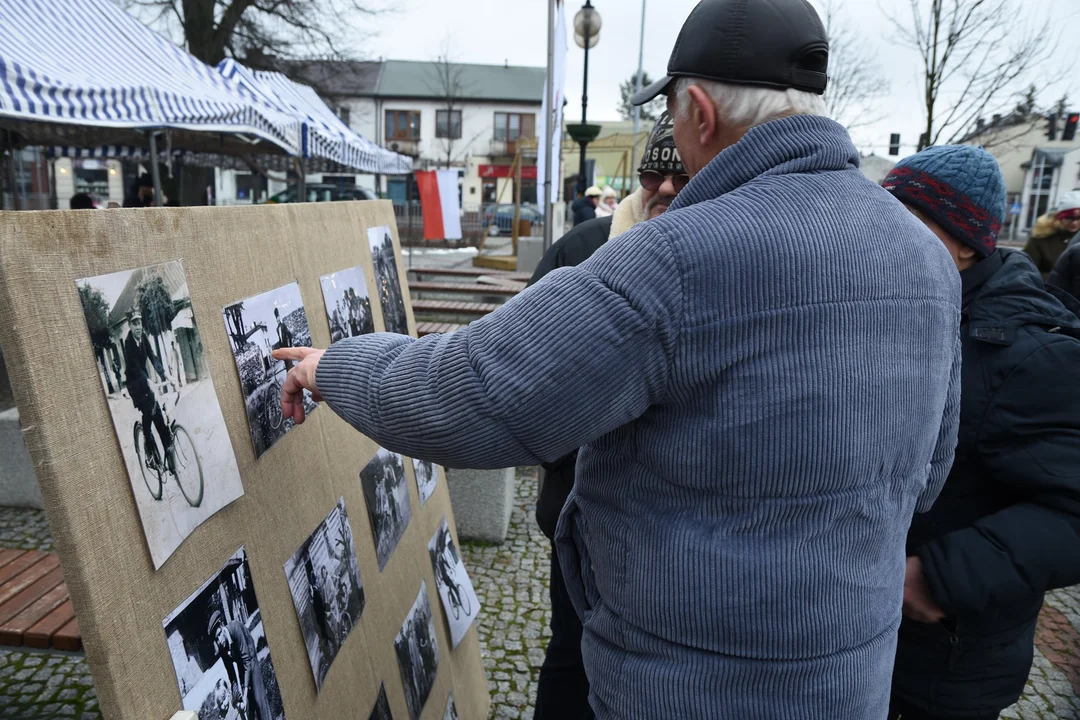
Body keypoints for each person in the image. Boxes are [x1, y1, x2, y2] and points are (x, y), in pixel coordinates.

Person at [274, 0, 962, 715]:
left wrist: (335, 367)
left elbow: (475, 394)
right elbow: (929, 472)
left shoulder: (678, 257)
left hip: (686, 685)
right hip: (850, 677)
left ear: (697, 110)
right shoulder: (921, 253)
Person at [883, 146, 1080, 720]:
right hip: (864, 640)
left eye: (905, 222)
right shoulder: (895, 311)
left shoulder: (1031, 355)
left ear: (966, 243)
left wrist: (942, 577)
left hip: (944, 666)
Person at [529, 111, 687, 720]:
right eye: (653, 175)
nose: (665, 190)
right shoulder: (581, 249)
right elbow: (526, 374)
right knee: (570, 657)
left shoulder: (728, 259)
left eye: (681, 176)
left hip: (671, 541)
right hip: (581, 517)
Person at [123, 311, 173, 472]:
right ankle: (148, 447)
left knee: (157, 412)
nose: (138, 327)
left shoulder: (143, 338)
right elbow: (135, 367)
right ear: (130, 326)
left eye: (139, 323)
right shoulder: (128, 343)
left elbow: (153, 357)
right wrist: (148, 381)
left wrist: (166, 375)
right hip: (135, 383)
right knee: (147, 410)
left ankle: (170, 455)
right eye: (135, 324)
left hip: (146, 380)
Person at [210, 610, 272, 720]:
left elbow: (247, 661)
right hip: (240, 663)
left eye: (219, 634)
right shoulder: (222, 648)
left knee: (258, 699)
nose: (219, 640)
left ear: (222, 625)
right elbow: (232, 676)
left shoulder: (235, 627)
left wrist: (245, 691)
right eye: (216, 639)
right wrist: (237, 696)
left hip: (250, 658)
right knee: (247, 704)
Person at [1022, 196, 1080, 276]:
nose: (1074, 223)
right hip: (1047, 286)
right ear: (1058, 218)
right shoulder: (1042, 238)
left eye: (1079, 218)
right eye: (1068, 218)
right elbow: (1025, 269)